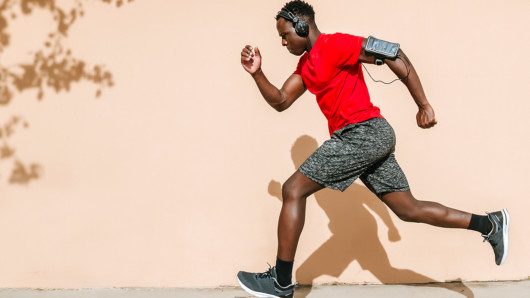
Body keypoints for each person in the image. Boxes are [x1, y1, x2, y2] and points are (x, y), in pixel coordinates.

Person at [237, 1, 509, 297]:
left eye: (285, 34)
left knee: (292, 190)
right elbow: (280, 100)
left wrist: (423, 105)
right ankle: (490, 224)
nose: (283, 42)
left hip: (362, 133)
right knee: (409, 209)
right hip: (367, 137)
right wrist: (256, 73)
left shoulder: (335, 44)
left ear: (302, 26)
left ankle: (281, 283)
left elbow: (393, 51)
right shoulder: (306, 66)